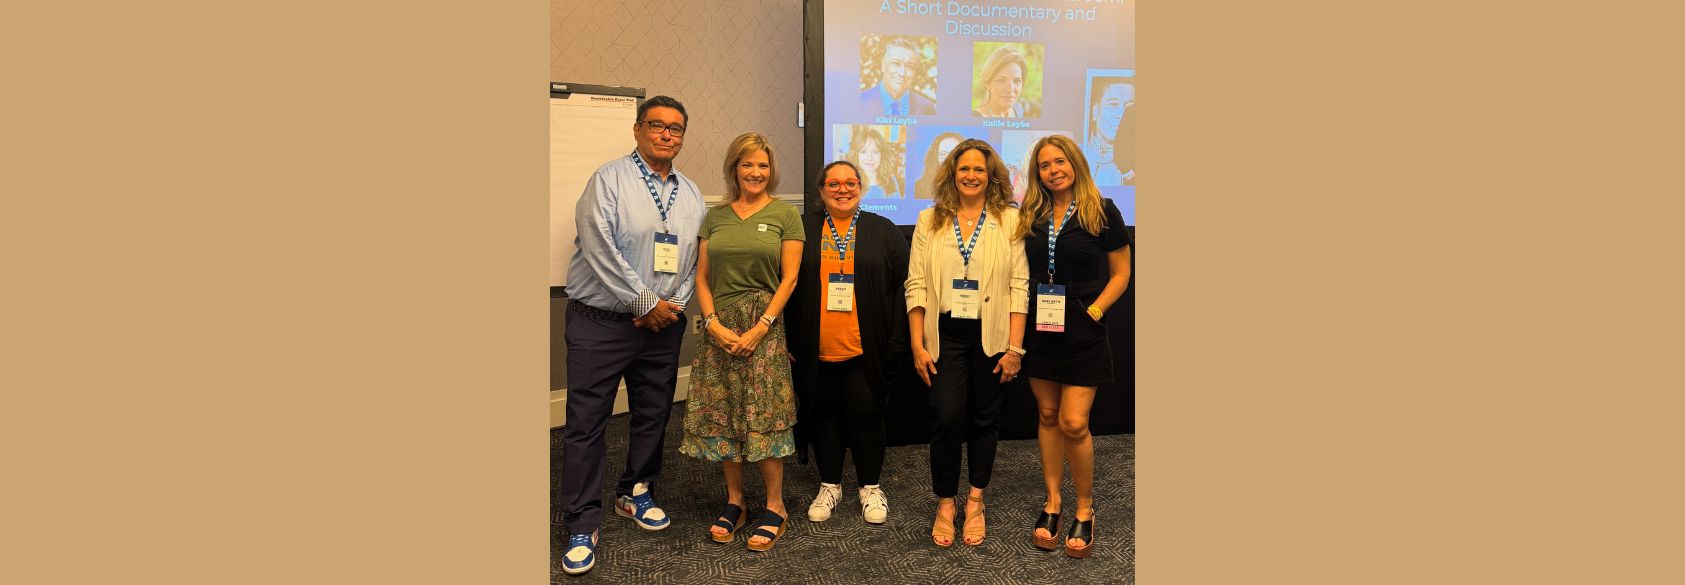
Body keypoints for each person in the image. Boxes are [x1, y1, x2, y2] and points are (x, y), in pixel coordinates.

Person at [559, 95, 704, 576]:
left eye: (676, 129)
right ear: (638, 129)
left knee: (653, 414)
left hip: (662, 328)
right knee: (586, 424)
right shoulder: (608, 180)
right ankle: (582, 521)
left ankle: (636, 492)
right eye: (657, 125)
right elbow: (598, 246)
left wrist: (672, 305)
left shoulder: (691, 193)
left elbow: (693, 260)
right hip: (600, 324)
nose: (667, 134)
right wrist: (644, 302)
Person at [680, 133, 806, 552]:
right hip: (720, 330)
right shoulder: (714, 217)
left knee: (764, 414)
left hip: (764, 328)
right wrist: (712, 324)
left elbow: (790, 278)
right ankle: (735, 501)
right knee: (726, 414)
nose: (755, 172)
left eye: (763, 166)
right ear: (734, 168)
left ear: (772, 171)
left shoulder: (785, 215)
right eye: (747, 164)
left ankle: (775, 506)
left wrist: (762, 326)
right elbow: (701, 277)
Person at [1012, 134, 1132, 559]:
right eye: (1045, 165)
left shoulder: (1102, 209)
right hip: (1040, 325)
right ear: (1038, 173)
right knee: (1047, 415)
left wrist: (1095, 311)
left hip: (1083, 324)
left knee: (1074, 423)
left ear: (1075, 163)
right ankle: (1053, 503)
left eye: (1060, 161)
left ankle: (1084, 507)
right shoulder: (1031, 213)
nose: (1053, 170)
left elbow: (1122, 273)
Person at [904, 138, 1029, 547]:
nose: (971, 176)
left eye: (979, 170)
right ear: (952, 174)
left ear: (991, 176)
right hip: (945, 335)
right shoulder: (930, 219)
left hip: (991, 335)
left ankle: (975, 500)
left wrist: (1015, 349)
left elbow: (1019, 286)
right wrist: (917, 345)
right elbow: (916, 285)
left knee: (984, 419)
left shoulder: (1009, 220)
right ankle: (945, 502)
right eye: (964, 169)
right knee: (945, 416)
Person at [787, 161, 910, 526]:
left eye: (850, 183)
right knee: (824, 418)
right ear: (821, 190)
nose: (843, 189)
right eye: (834, 184)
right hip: (815, 349)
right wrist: (787, 339)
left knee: (867, 418)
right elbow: (785, 285)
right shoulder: (803, 228)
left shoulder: (883, 230)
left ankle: (870, 487)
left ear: (860, 187)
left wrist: (897, 340)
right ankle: (830, 486)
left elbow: (904, 288)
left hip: (866, 349)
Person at [859, 37, 936, 116]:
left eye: (909, 66)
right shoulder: (859, 102)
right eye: (896, 63)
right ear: (883, 65)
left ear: (915, 73)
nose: (902, 73)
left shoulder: (926, 108)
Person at [972, 45, 1042, 118]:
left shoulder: (1019, 110)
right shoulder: (975, 118)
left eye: (1017, 81)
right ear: (988, 83)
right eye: (1001, 80)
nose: (1010, 89)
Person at [1087, 81, 1133, 185]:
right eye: (1113, 104)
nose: (1121, 114)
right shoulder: (1078, 154)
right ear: (1095, 111)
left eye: (1129, 106)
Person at [847, 127, 903, 199]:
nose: (869, 158)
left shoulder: (892, 180)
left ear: (882, 155)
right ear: (856, 155)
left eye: (875, 152)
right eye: (863, 152)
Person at [911, 131, 964, 200]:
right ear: (935, 158)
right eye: (943, 154)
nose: (948, 159)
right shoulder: (919, 187)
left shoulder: (972, 184)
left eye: (954, 153)